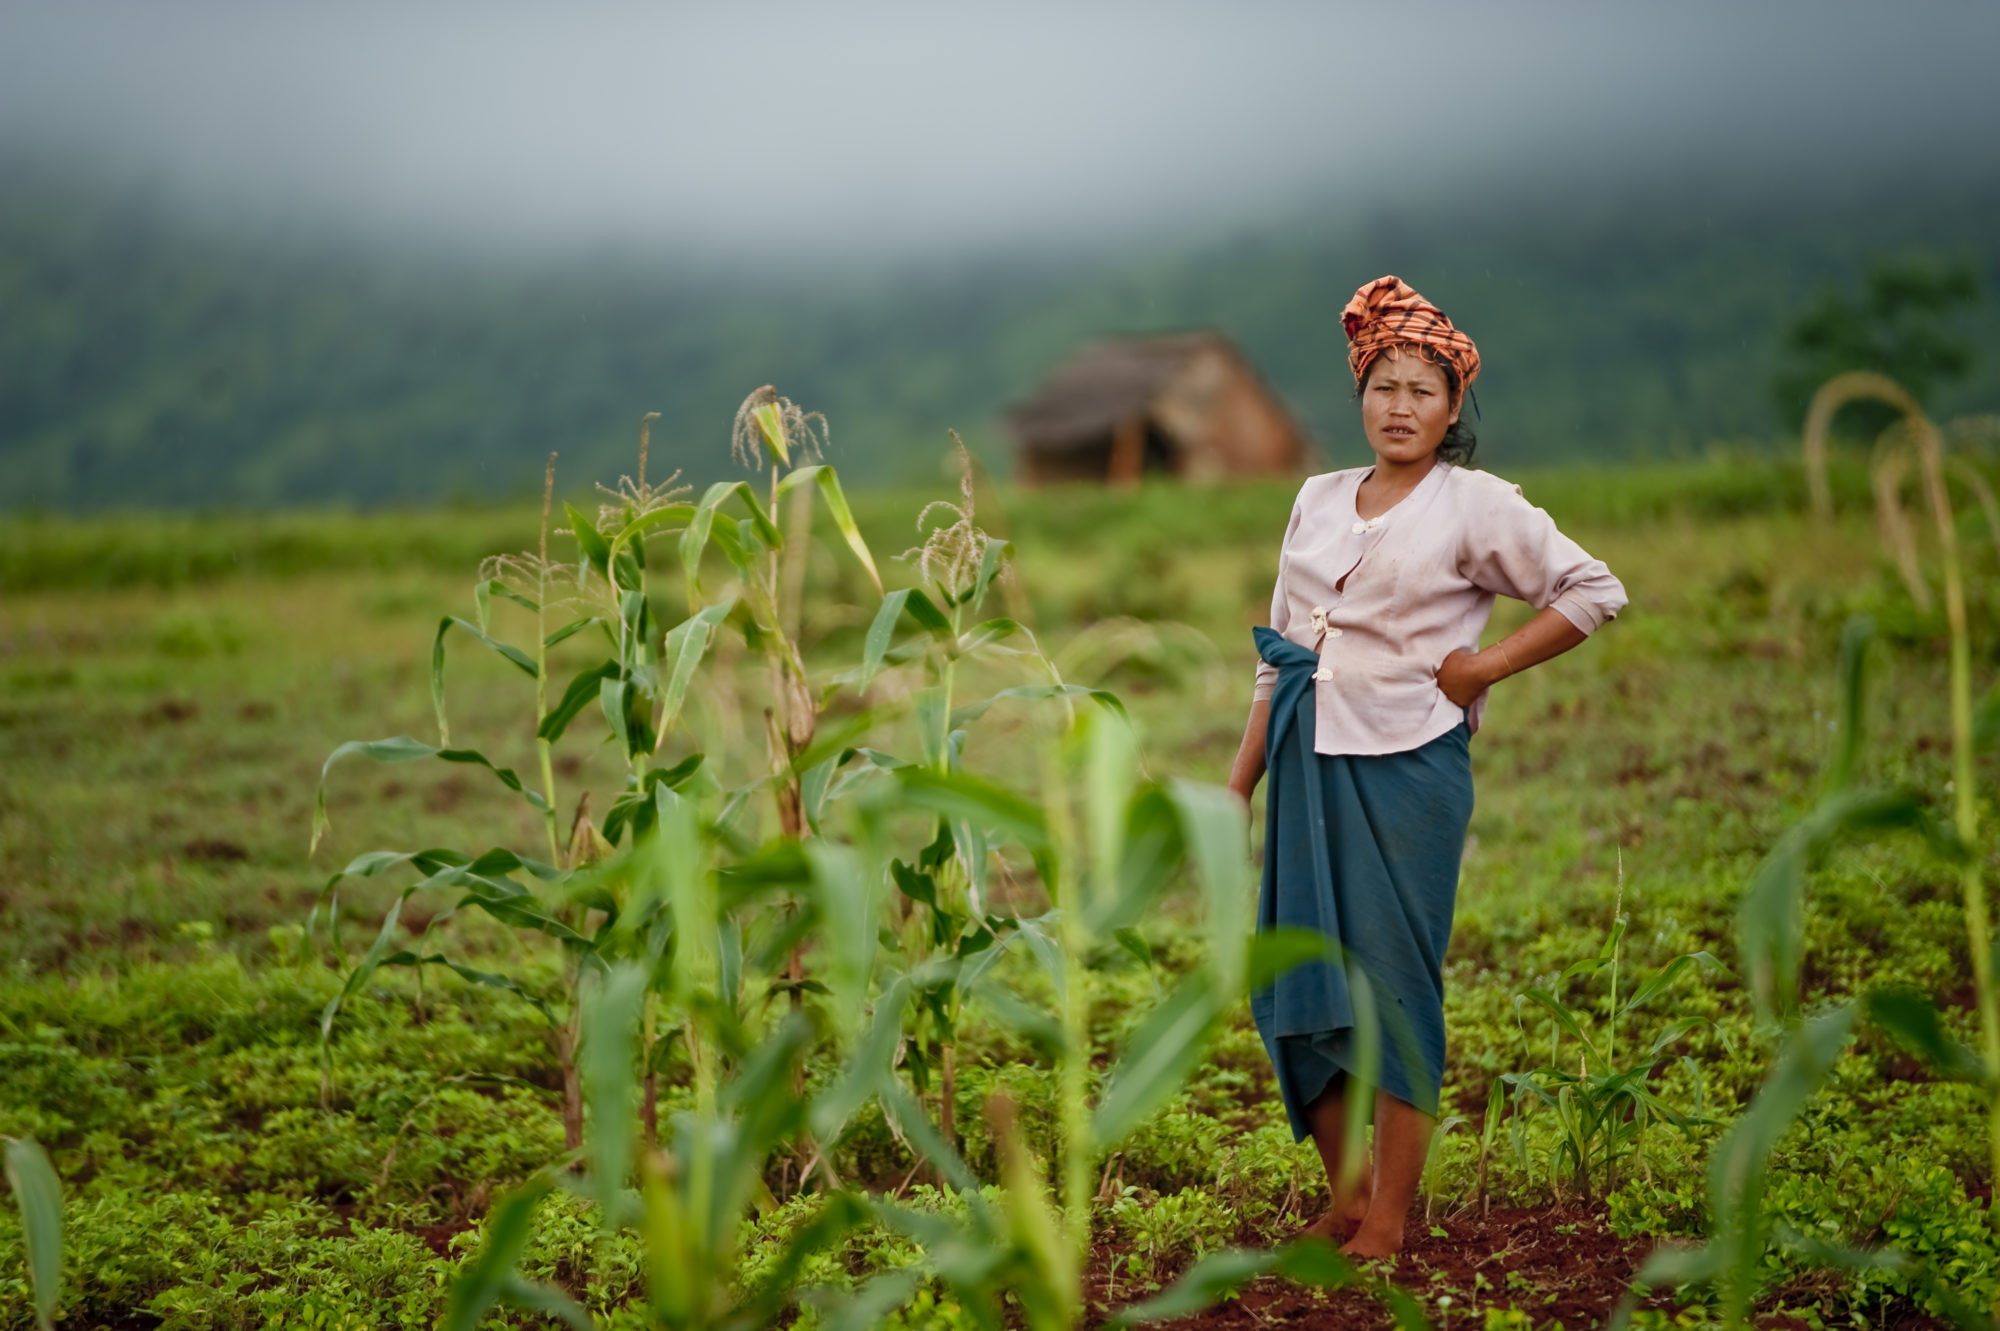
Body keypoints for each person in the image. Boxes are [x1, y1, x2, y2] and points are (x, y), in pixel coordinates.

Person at [1224, 275, 1628, 1258]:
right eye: (1382, 385)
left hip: (1409, 766)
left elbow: (1591, 589)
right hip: (1304, 758)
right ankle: (1345, 1193)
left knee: (1395, 981)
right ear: (1358, 394)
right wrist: (1236, 784)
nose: (1398, 406)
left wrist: (1483, 664)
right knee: (1298, 982)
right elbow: (1277, 651)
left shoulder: (1473, 505)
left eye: (1421, 390)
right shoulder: (1315, 498)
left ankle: (1393, 1218)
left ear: (1452, 409)